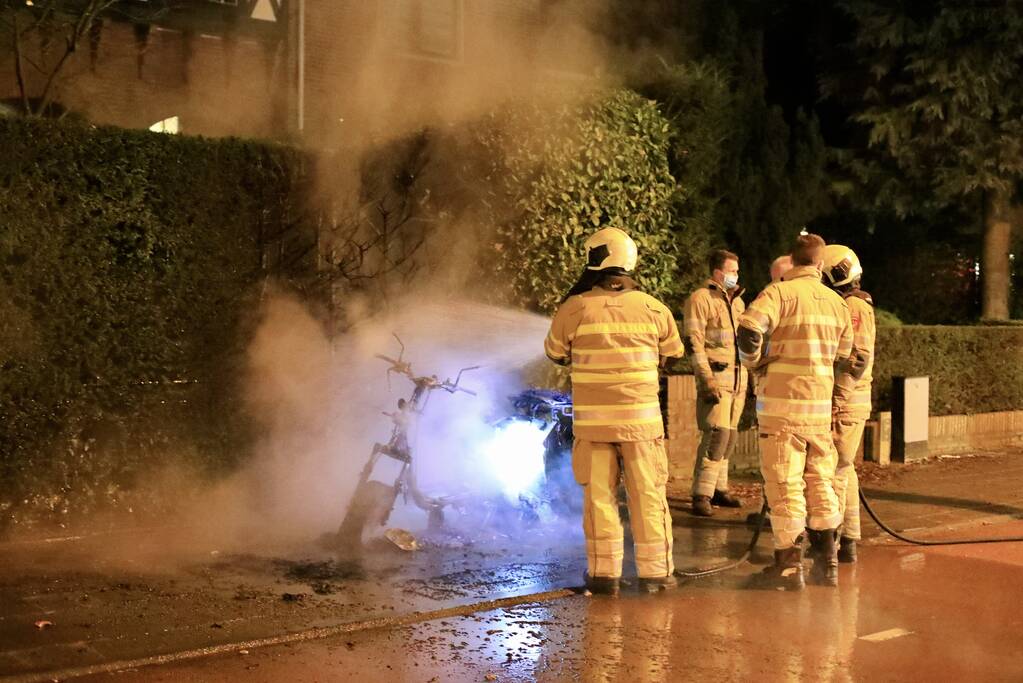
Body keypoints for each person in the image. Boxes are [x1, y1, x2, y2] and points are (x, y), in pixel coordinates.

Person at [544, 227, 685, 596]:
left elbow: (556, 353)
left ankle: (604, 576)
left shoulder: (573, 308)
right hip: (642, 424)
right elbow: (672, 353)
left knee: (599, 498)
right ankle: (656, 575)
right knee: (648, 496)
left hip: (593, 425)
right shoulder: (654, 308)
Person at [736, 233, 855, 591]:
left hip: (781, 409)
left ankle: (788, 568)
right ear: (820, 263)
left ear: (793, 259)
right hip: (817, 410)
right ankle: (827, 564)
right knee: (820, 481)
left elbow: (748, 329)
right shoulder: (838, 304)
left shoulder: (778, 293)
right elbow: (846, 355)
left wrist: (754, 363)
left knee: (785, 484)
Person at [683, 249, 748, 517]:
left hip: (737, 380)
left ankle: (719, 489)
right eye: (733, 271)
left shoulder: (737, 303)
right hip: (717, 379)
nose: (736, 275)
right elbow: (693, 342)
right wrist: (705, 378)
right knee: (716, 435)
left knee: (730, 436)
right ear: (718, 273)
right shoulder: (701, 299)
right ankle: (701, 493)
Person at [822, 244, 875, 564]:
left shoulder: (853, 307)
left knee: (834, 472)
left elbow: (858, 358)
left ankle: (832, 540)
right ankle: (850, 540)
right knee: (845, 469)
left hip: (848, 401)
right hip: (853, 399)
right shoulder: (855, 303)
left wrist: (837, 399)